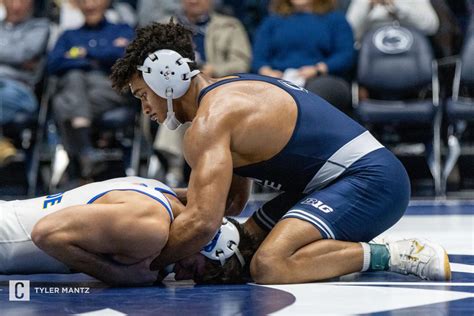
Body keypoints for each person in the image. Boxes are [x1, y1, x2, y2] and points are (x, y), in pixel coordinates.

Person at [110, 21, 451, 285]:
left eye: (143, 96)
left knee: (269, 264)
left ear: (166, 77)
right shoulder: (223, 95)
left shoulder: (212, 121)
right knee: (242, 247)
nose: (145, 110)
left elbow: (202, 222)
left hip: (372, 182)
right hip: (334, 184)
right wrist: (154, 198)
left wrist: (144, 264)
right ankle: (333, 252)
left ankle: (394, 255)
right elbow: (230, 203)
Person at [0, 176, 182, 286]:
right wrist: (120, 275)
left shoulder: (159, 189)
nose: (187, 277)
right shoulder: (151, 226)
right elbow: (44, 234)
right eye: (207, 270)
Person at [48, 0, 134, 179]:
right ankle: (86, 153)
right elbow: (52, 64)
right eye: (84, 1)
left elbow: (126, 57)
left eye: (94, 0)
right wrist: (99, 57)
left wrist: (83, 53)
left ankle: (78, 162)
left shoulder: (122, 29)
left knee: (61, 103)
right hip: (81, 89)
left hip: (110, 88)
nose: (89, 5)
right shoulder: (69, 35)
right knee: (74, 78)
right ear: (78, 6)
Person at [252, 0, 354, 112]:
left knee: (310, 97)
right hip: (279, 78)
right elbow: (259, 58)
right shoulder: (272, 22)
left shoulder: (335, 20)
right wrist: (267, 72)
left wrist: (318, 69)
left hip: (322, 77)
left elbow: (345, 54)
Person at [0, 0, 50, 166]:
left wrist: (15, 55)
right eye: (11, 0)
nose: (16, 6)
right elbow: (17, 55)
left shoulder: (40, 27)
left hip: (20, 91)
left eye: (22, 0)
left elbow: (22, 53)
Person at [346, 0, 440, 43]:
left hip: (410, 51)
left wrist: (397, 8)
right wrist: (368, 6)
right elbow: (348, 34)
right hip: (373, 55)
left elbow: (432, 26)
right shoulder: (361, 2)